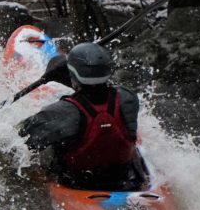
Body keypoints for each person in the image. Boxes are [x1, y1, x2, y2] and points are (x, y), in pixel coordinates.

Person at [17, 42, 145, 191]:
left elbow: (19, 137)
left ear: (72, 75)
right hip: (122, 178)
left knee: (34, 151)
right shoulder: (128, 98)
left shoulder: (62, 113)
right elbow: (99, 89)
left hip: (79, 184)